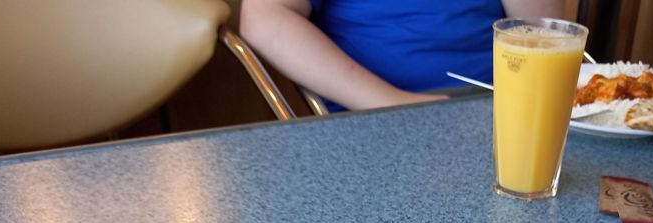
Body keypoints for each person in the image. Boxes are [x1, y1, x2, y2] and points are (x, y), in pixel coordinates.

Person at [240, 0, 565, 111]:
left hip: (498, 106)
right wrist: (395, 103)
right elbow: (263, 19)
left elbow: (541, 29)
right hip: (376, 113)